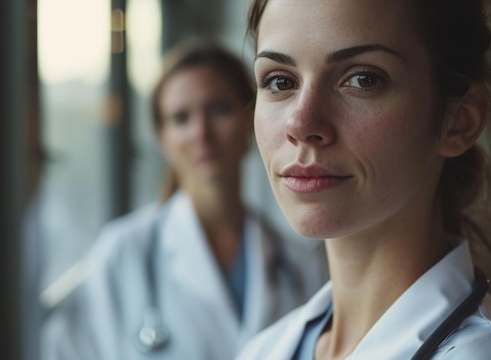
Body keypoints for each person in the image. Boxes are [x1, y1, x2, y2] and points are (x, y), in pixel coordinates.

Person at [236, 0, 491, 359]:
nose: (301, 124)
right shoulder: (266, 350)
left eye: (362, 79)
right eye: (279, 81)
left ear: (459, 121)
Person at [41, 40, 328, 360]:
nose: (201, 132)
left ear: (252, 121)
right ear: (163, 139)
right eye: (181, 118)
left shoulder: (299, 264)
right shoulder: (124, 253)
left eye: (218, 109)